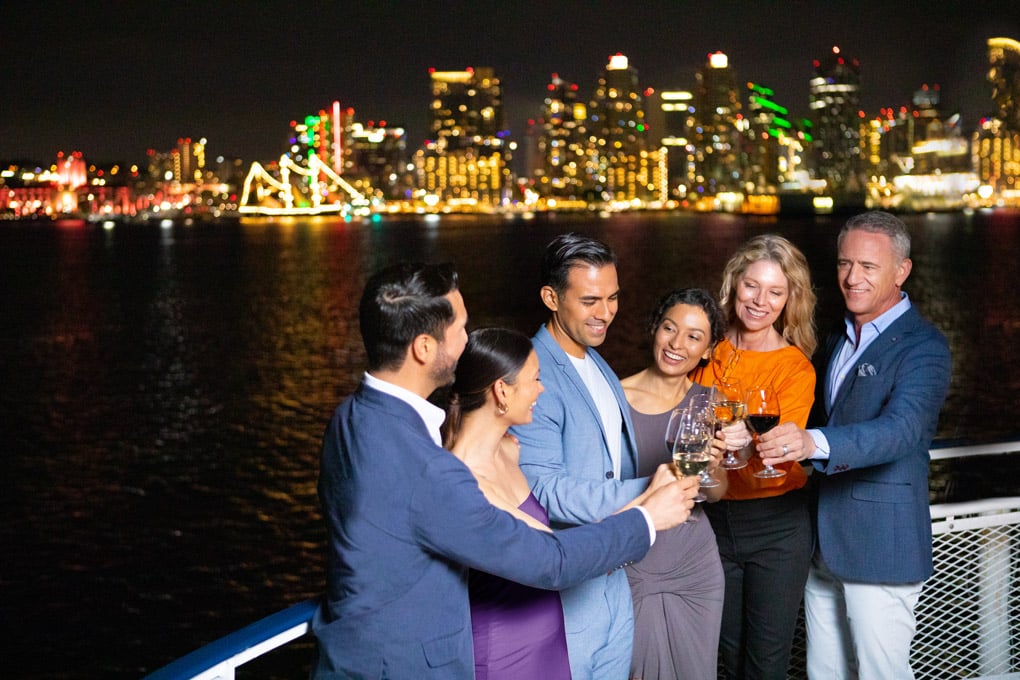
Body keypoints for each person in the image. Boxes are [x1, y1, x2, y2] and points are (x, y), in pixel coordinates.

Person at [311, 261, 697, 680]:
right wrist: (648, 518)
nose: (466, 339)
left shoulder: (351, 416)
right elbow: (550, 563)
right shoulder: (430, 470)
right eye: (460, 328)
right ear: (424, 348)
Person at [758, 211, 952, 679]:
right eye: (845, 264)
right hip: (822, 540)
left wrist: (811, 441)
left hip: (881, 544)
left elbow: (902, 430)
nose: (851, 277)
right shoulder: (835, 338)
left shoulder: (923, 346)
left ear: (901, 271)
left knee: (880, 673)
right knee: (824, 672)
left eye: (868, 266)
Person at [442, 327, 682, 680]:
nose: (542, 389)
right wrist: (648, 512)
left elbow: (546, 537)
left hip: (549, 640)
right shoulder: (463, 481)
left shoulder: (509, 450)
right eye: (536, 379)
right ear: (501, 392)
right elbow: (551, 555)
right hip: (504, 653)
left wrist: (652, 493)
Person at [511, 233, 649, 680]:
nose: (605, 313)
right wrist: (652, 492)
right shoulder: (533, 373)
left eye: (612, 298)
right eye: (590, 300)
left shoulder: (596, 361)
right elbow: (543, 489)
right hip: (566, 587)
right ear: (551, 297)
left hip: (612, 577)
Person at [690, 234, 818, 679]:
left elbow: (776, 444)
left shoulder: (794, 367)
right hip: (711, 524)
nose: (760, 301)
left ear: (789, 300)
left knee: (765, 664)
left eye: (775, 292)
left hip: (776, 526)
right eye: (752, 286)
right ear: (733, 284)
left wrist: (734, 439)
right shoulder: (705, 349)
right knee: (721, 657)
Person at [620, 288, 728, 680]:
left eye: (694, 337)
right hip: (633, 562)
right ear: (655, 328)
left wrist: (712, 469)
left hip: (695, 563)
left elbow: (717, 494)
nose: (677, 344)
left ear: (708, 350)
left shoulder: (709, 402)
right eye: (670, 328)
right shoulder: (615, 397)